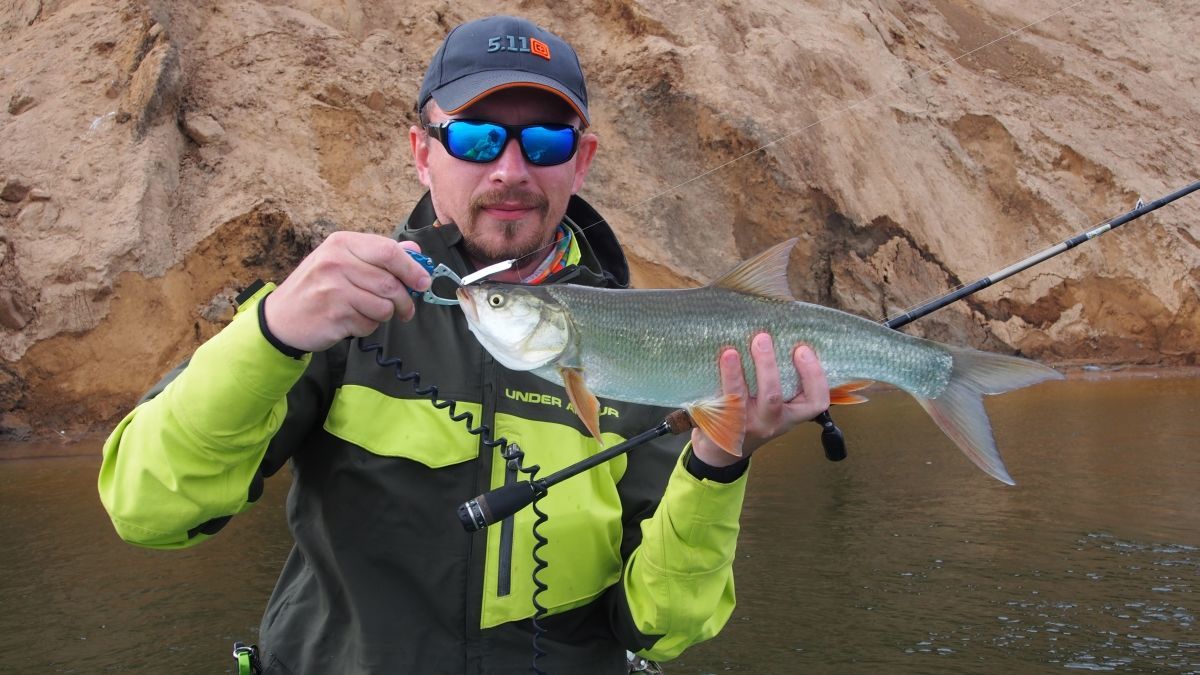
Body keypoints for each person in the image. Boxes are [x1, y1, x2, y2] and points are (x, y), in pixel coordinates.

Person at [98, 15, 829, 674]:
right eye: (476, 137)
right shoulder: (333, 311)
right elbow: (149, 509)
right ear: (422, 152)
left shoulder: (641, 348)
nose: (511, 170)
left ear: (581, 161)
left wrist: (717, 463)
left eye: (546, 141)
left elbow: (664, 629)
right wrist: (270, 333)